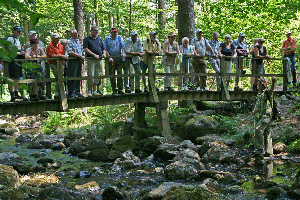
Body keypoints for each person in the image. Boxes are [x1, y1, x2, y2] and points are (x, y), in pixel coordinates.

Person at [253, 76, 277, 157]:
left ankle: (259, 149)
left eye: (259, 82)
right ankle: (269, 151)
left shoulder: (267, 92)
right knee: (267, 132)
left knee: (258, 129)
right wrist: (255, 110)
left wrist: (273, 82)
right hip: (261, 115)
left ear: (262, 84)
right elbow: (258, 104)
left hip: (266, 115)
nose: (258, 83)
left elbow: (271, 89)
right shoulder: (259, 93)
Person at [6, 25, 28, 102]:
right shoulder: (10, 39)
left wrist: (21, 52)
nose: (20, 33)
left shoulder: (17, 39)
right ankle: (12, 95)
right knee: (12, 78)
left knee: (17, 77)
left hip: (18, 60)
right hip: (12, 60)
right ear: (14, 31)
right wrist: (19, 53)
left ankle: (16, 94)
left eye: (20, 31)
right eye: (18, 31)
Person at [83, 26, 106, 96]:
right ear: (91, 31)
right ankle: (89, 91)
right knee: (91, 74)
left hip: (99, 60)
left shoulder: (99, 39)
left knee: (97, 74)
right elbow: (85, 49)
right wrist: (93, 55)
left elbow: (103, 48)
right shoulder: (87, 39)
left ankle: (94, 90)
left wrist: (104, 54)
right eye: (95, 30)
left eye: (97, 31)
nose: (96, 32)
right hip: (91, 59)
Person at [24, 30, 47, 100]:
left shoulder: (40, 48)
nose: (36, 45)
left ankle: (40, 94)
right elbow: (26, 56)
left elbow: (45, 56)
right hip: (31, 67)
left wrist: (37, 56)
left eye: (37, 44)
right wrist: (31, 57)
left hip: (39, 66)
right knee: (32, 82)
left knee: (40, 80)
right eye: (34, 44)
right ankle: (33, 95)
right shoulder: (28, 48)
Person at [104, 27, 126, 94]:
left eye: (116, 32)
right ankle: (114, 90)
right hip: (111, 59)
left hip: (119, 58)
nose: (115, 33)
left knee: (119, 73)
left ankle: (120, 89)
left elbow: (122, 46)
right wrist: (109, 57)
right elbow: (106, 49)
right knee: (112, 74)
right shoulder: (107, 39)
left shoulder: (119, 38)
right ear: (111, 32)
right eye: (114, 32)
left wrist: (123, 53)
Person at [46, 33, 67, 99]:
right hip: (53, 63)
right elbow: (51, 55)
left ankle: (59, 92)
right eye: (56, 38)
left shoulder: (60, 45)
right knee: (58, 76)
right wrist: (60, 56)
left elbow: (63, 52)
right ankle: (57, 93)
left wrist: (63, 57)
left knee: (61, 77)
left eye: (58, 38)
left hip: (61, 63)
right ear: (53, 39)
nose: (58, 39)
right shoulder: (50, 45)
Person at [66, 28, 85, 98]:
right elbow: (70, 52)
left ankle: (77, 91)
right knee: (72, 76)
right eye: (74, 33)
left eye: (76, 33)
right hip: (72, 60)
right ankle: (71, 92)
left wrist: (83, 55)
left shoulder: (78, 41)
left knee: (78, 75)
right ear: (71, 34)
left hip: (78, 60)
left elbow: (81, 49)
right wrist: (79, 56)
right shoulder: (69, 41)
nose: (76, 34)